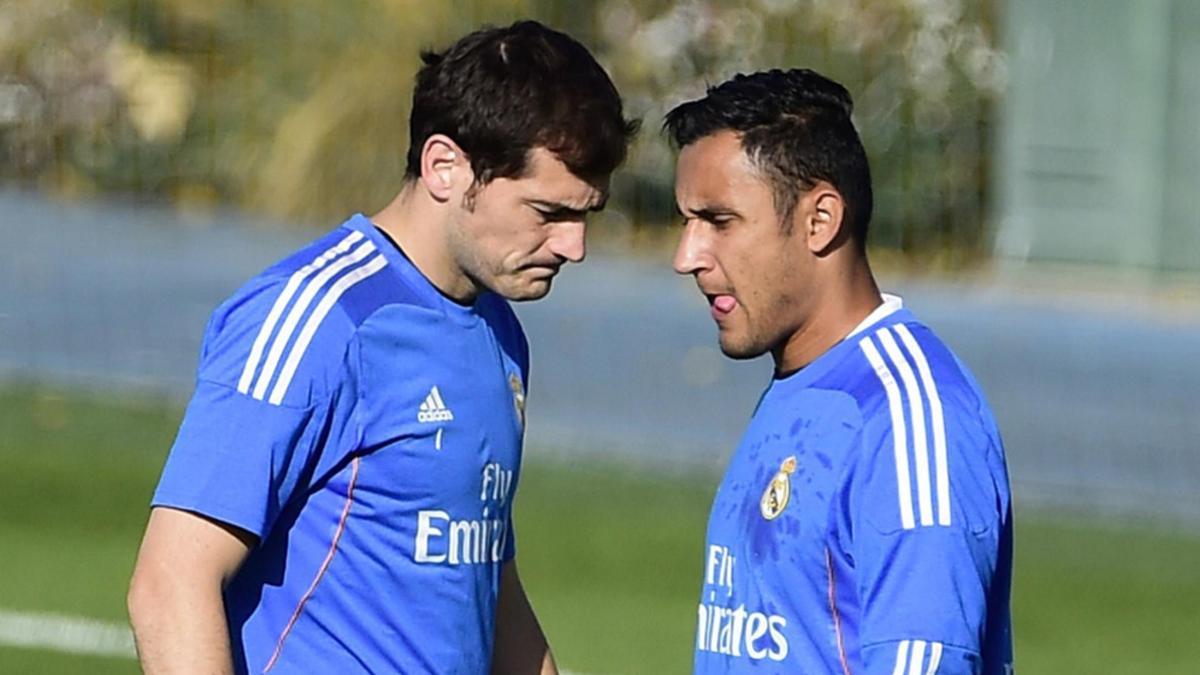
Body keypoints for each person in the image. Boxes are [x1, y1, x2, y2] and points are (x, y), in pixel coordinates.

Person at [127, 20, 637, 675]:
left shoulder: (499, 332)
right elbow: (170, 583)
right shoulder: (317, 318)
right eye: (549, 212)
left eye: (585, 214)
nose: (575, 245)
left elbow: (485, 574)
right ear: (444, 166)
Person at [666, 69, 1013, 674]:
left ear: (820, 220)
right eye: (687, 222)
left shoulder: (906, 413)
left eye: (719, 222)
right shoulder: (803, 387)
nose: (687, 257)